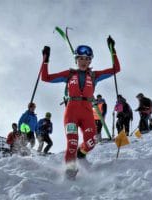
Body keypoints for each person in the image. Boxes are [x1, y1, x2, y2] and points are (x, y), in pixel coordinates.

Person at [41, 36, 121, 179]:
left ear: (90, 61)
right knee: (72, 143)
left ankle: (81, 153)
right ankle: (70, 172)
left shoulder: (94, 75)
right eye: (81, 58)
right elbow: (45, 77)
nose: (84, 61)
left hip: (86, 112)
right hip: (71, 112)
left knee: (91, 141)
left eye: (87, 59)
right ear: (76, 60)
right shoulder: (69, 74)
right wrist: (45, 59)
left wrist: (112, 50)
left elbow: (116, 69)